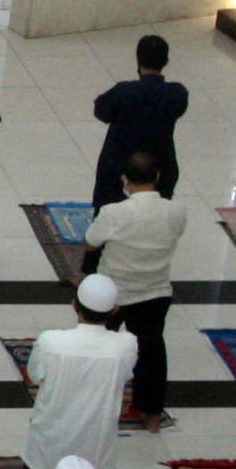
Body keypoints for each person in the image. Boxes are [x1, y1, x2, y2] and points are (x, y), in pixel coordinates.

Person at [22, 275, 132, 469]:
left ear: (75, 306)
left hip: (48, 447)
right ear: (115, 311)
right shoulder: (125, 346)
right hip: (96, 450)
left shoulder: (51, 342)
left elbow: (35, 375)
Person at [84, 156, 187, 426]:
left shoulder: (114, 213)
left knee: (99, 345)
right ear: (158, 177)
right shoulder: (176, 211)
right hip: (155, 291)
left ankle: (94, 403)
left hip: (113, 293)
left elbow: (90, 243)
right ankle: (152, 412)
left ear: (125, 181)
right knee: (151, 350)